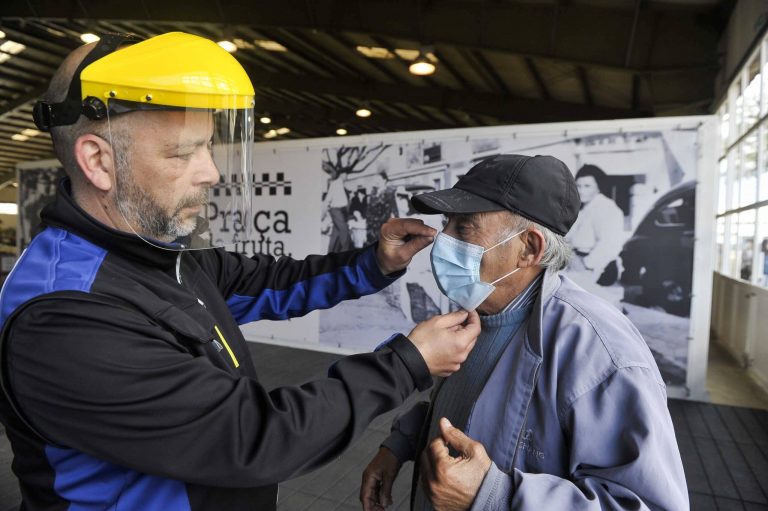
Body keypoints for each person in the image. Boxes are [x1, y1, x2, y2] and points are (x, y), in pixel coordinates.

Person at [0, 33, 481, 511]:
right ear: (99, 161)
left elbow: (270, 284)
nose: (210, 172)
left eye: (209, 146)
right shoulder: (65, 317)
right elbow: (255, 439)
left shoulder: (152, 256)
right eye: (183, 153)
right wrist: (407, 363)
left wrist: (375, 263)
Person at [360, 154, 688, 511]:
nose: (443, 240)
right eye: (447, 223)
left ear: (529, 248)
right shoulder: (479, 312)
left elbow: (646, 504)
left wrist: (494, 498)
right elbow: (469, 409)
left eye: (465, 227)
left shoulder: (600, 353)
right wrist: (400, 444)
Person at [565, 164, 625, 286]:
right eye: (578, 186)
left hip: (596, 267)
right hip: (576, 260)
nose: (581, 191)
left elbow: (608, 243)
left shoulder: (606, 207)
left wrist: (586, 264)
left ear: (598, 187)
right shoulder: (584, 208)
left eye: (587, 186)